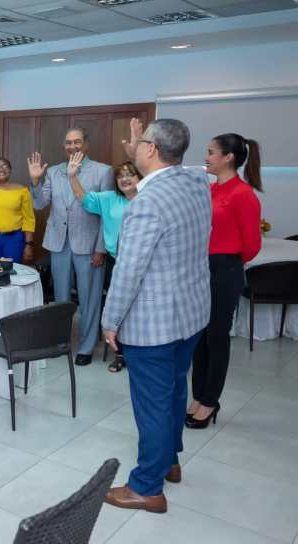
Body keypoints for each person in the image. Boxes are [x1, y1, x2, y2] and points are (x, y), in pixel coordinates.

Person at [102, 118, 211, 514]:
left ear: (151, 149)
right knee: (175, 391)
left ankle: (146, 486)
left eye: (141, 142)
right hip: (191, 314)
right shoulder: (197, 183)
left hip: (155, 323)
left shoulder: (146, 203)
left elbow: (128, 271)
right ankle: (169, 461)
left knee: (152, 404)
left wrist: (110, 321)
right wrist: (141, 146)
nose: (134, 146)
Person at [187, 133, 262, 429]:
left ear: (228, 157)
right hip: (202, 268)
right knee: (199, 337)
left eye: (211, 152)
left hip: (225, 269)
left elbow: (252, 245)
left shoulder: (243, 194)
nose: (206, 158)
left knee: (217, 337)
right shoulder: (210, 189)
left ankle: (210, 400)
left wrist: (227, 261)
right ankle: (198, 395)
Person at [28, 128, 113, 366]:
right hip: (59, 243)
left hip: (90, 245)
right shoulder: (54, 171)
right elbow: (40, 203)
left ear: (86, 144)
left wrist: (101, 248)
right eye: (68, 142)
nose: (72, 146)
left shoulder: (103, 171)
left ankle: (86, 347)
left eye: (77, 142)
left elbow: (106, 213)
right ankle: (60, 342)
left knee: (89, 299)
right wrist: (35, 181)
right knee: (61, 299)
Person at [70, 160, 142, 372]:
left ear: (140, 177)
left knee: (140, 309)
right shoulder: (110, 198)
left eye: (130, 174)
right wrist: (72, 176)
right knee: (119, 309)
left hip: (144, 263)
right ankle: (120, 355)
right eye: (120, 176)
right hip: (117, 262)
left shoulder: (149, 198)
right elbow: (84, 198)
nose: (125, 179)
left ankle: (140, 353)